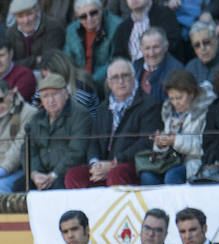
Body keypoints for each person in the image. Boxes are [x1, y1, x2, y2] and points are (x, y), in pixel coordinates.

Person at [64, 58, 158, 188]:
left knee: (116, 173)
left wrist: (115, 162)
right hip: (104, 165)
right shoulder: (103, 108)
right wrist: (94, 163)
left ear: (133, 78)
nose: (120, 81)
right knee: (74, 175)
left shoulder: (149, 105)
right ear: (108, 83)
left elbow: (146, 142)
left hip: (131, 165)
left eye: (125, 76)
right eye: (115, 77)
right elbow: (93, 140)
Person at [65, 0, 122, 94]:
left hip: (103, 83)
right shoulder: (72, 30)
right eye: (83, 16)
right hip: (78, 83)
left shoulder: (116, 26)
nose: (89, 19)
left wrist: (90, 81)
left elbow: (115, 60)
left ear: (101, 9)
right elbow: (67, 59)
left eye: (93, 13)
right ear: (78, 17)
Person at [7, 0, 65, 70]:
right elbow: (8, 64)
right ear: (14, 17)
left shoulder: (53, 28)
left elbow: (49, 61)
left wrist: (19, 64)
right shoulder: (11, 33)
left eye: (29, 14)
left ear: (38, 11)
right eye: (20, 16)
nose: (26, 21)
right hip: (19, 75)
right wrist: (35, 60)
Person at [134, 28, 183, 102]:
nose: (151, 53)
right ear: (141, 49)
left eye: (156, 47)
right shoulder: (135, 66)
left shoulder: (176, 71)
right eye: (147, 48)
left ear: (166, 47)